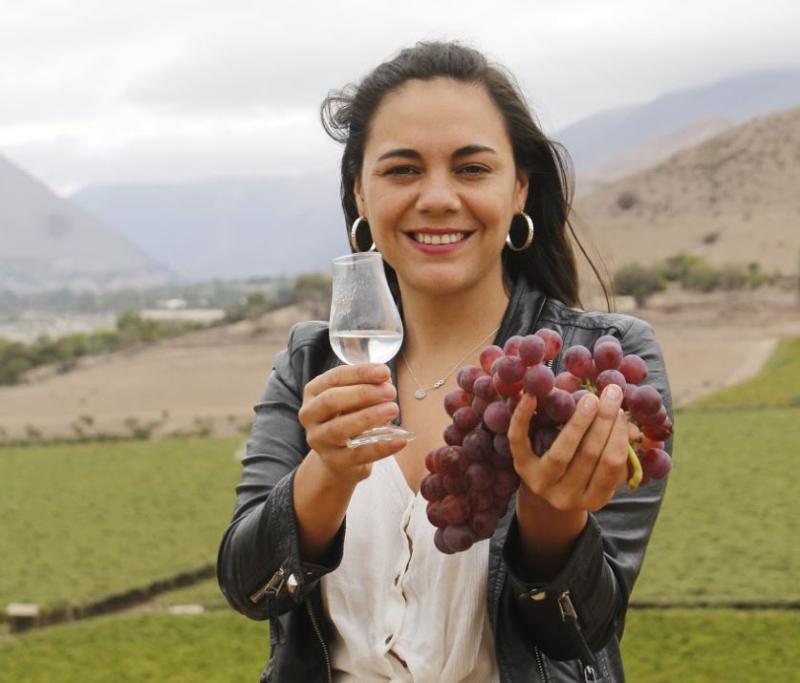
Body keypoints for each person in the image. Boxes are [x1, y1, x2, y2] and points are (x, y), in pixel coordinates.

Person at [217, 41, 672, 683]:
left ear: (520, 190)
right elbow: (251, 587)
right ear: (361, 195)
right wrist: (329, 470)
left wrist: (552, 513)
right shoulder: (312, 360)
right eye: (402, 170)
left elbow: (580, 632)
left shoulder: (595, 368)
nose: (436, 197)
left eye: (471, 169)